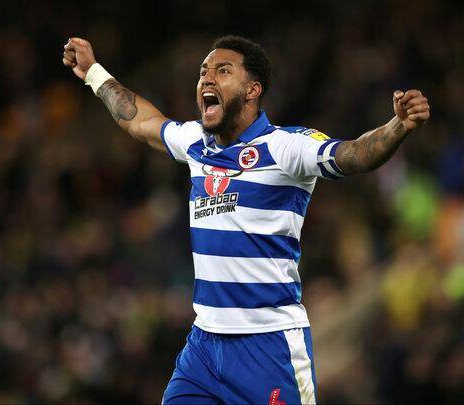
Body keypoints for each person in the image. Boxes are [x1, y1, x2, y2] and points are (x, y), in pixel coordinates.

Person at [62, 35, 430, 404]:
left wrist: (397, 127)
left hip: (268, 348)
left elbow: (355, 154)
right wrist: (93, 72)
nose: (207, 78)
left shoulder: (285, 146)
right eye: (203, 72)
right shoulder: (196, 143)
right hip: (204, 347)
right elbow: (140, 121)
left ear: (253, 89)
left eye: (222, 71)